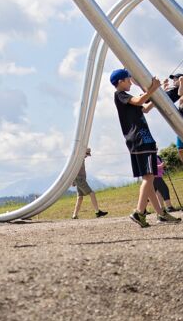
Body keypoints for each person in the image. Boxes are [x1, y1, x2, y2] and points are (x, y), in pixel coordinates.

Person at [110, 68, 180, 228]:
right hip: (141, 140)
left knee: (148, 179)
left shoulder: (128, 100)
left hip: (137, 141)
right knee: (149, 178)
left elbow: (146, 107)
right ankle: (139, 212)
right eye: (128, 80)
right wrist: (153, 88)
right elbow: (140, 101)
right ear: (120, 82)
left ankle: (161, 214)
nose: (130, 82)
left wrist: (158, 93)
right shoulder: (121, 95)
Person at [71, 148, 108, 219]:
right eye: (86, 154)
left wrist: (73, 181)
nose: (87, 156)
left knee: (80, 198)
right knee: (92, 193)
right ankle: (97, 212)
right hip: (80, 180)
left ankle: (74, 215)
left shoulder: (80, 159)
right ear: (83, 153)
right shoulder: (78, 160)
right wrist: (72, 181)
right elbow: (73, 170)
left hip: (80, 180)